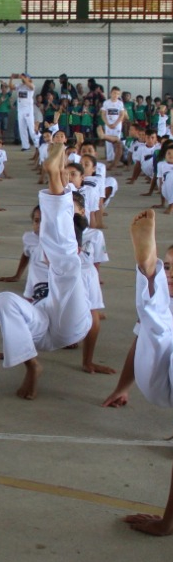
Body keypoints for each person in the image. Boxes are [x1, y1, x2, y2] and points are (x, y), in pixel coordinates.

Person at [0, 143, 92, 400]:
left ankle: (54, 179)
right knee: (3, 300)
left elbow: (96, 319)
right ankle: (31, 363)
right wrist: (15, 339)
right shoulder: (37, 254)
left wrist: (88, 360)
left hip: (71, 325)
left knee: (64, 262)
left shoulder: (78, 265)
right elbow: (27, 300)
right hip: (42, 324)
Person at [108, 210, 173, 536]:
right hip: (159, 374)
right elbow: (142, 342)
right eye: (170, 266)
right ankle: (148, 273)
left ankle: (149, 273)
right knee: (155, 326)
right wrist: (123, 387)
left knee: (158, 326)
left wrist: (166, 523)